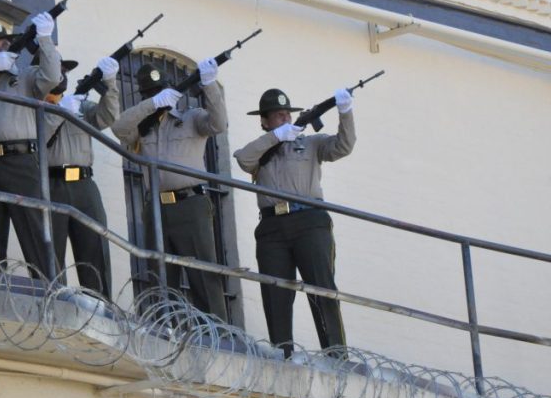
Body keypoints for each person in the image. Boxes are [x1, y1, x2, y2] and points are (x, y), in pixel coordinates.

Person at [233, 87, 355, 359]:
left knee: (321, 287)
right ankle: (282, 354)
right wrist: (275, 137)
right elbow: (243, 159)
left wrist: (345, 113)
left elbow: (343, 146)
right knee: (276, 292)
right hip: (272, 226)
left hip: (309, 220)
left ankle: (336, 354)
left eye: (288, 114)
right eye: (278, 116)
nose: (286, 119)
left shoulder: (310, 143)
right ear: (265, 121)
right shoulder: (260, 148)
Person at [111, 60, 229, 321]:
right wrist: (151, 105)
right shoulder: (143, 128)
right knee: (161, 277)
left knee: (203, 274)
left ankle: (216, 333)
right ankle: (168, 330)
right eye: (151, 94)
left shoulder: (191, 118)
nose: (158, 98)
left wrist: (210, 86)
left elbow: (219, 124)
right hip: (155, 207)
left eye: (160, 92)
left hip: (191, 205)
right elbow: (119, 128)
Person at [0, 14, 61, 276]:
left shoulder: (25, 77)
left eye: (5, 43)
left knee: (35, 230)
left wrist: (45, 40)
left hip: (21, 160)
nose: (2, 47)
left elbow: (52, 76)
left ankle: (51, 289)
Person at [43, 56, 119, 296]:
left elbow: (107, 118)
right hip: (51, 183)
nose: (63, 74)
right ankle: (55, 302)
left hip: (84, 183)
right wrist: (60, 113)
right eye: (59, 70)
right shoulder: (33, 105)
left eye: (66, 71)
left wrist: (110, 85)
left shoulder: (78, 104)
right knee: (51, 251)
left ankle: (100, 303)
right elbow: (39, 138)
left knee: (94, 247)